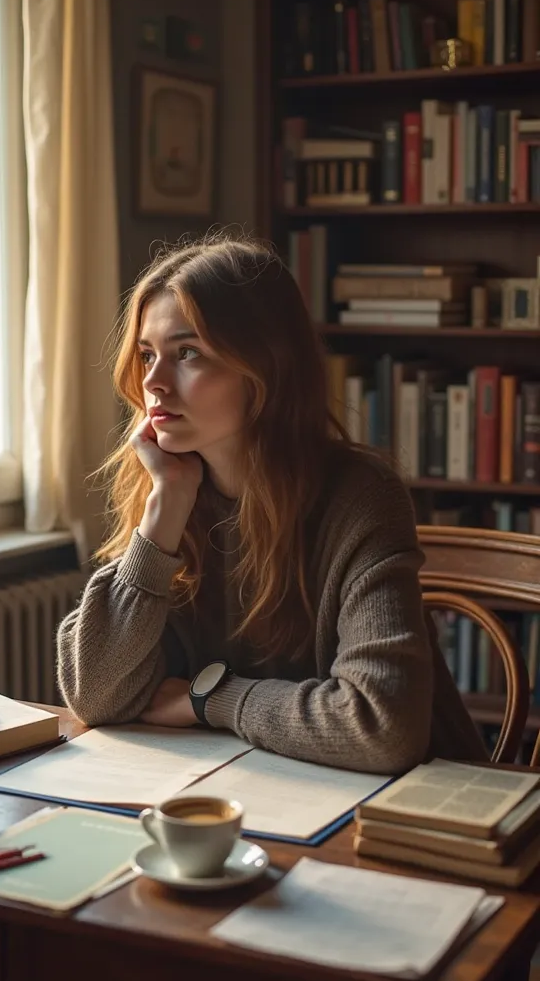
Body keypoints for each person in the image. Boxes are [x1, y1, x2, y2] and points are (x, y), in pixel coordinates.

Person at [57, 233, 486, 775]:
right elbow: (94, 695)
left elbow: (381, 727)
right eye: (147, 355)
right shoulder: (169, 487)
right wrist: (165, 508)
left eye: (187, 353)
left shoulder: (360, 496)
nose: (154, 383)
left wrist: (210, 699)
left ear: (265, 368)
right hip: (259, 787)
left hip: (407, 815)